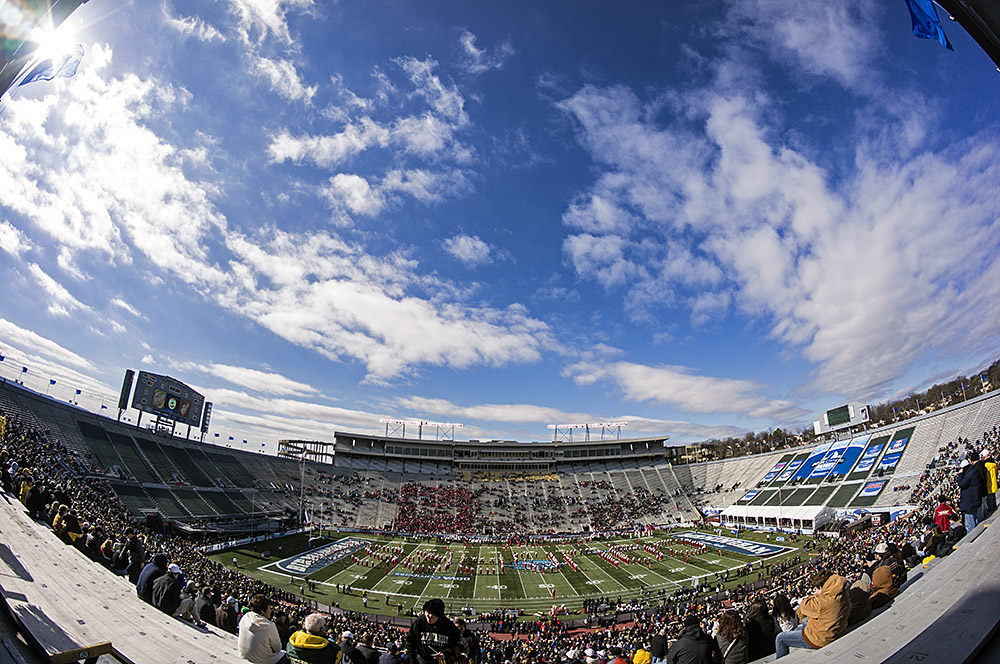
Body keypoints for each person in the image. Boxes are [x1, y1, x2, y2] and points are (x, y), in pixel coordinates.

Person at [774, 568, 850, 659]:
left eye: (817, 589)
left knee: (780, 638)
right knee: (805, 620)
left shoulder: (822, 602)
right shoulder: (842, 593)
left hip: (820, 639)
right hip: (835, 629)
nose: (816, 592)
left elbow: (803, 606)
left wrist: (815, 595)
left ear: (822, 588)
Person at [407, 598, 464, 664]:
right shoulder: (419, 624)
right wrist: (413, 661)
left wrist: (446, 653)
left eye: (431, 614)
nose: (428, 616)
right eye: (426, 612)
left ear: (438, 615)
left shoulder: (449, 627)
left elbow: (458, 646)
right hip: (422, 661)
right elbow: (409, 642)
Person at [238, 594, 289, 664]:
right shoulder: (269, 626)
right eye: (269, 609)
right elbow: (277, 648)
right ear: (262, 611)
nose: (271, 611)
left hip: (244, 654)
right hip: (264, 660)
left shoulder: (245, 617)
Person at [958, 454, 986, 532]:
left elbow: (961, 484)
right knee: (975, 520)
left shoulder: (969, 474)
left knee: (970, 525)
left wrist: (960, 475)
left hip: (969, 502)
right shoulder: (974, 471)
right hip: (974, 499)